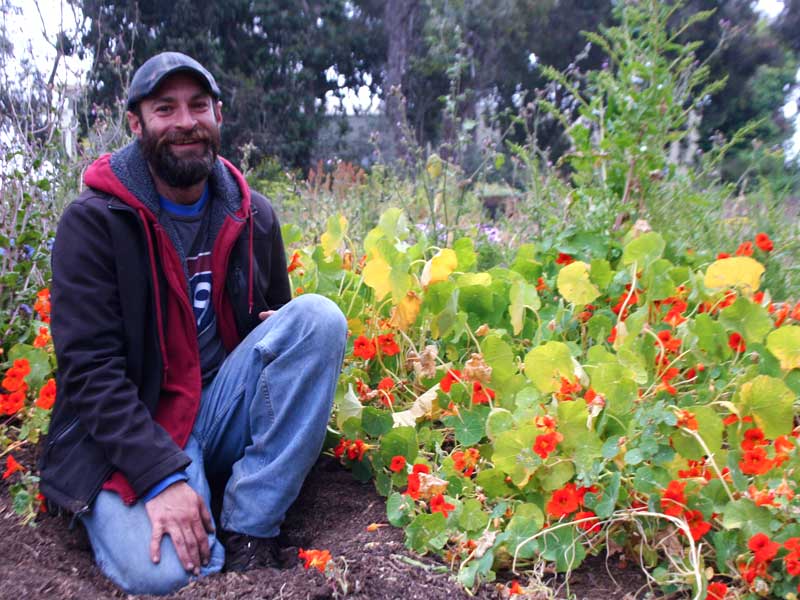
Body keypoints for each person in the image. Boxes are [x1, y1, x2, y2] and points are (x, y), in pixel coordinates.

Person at [38, 51, 347, 596]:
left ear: (218, 116)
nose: (185, 122)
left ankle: (250, 526)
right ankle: (140, 502)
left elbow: (269, 321)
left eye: (198, 106)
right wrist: (159, 476)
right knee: (171, 575)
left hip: (217, 408)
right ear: (137, 124)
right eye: (165, 109)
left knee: (317, 319)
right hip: (137, 421)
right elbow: (90, 374)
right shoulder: (94, 222)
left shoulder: (254, 214)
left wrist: (269, 327)